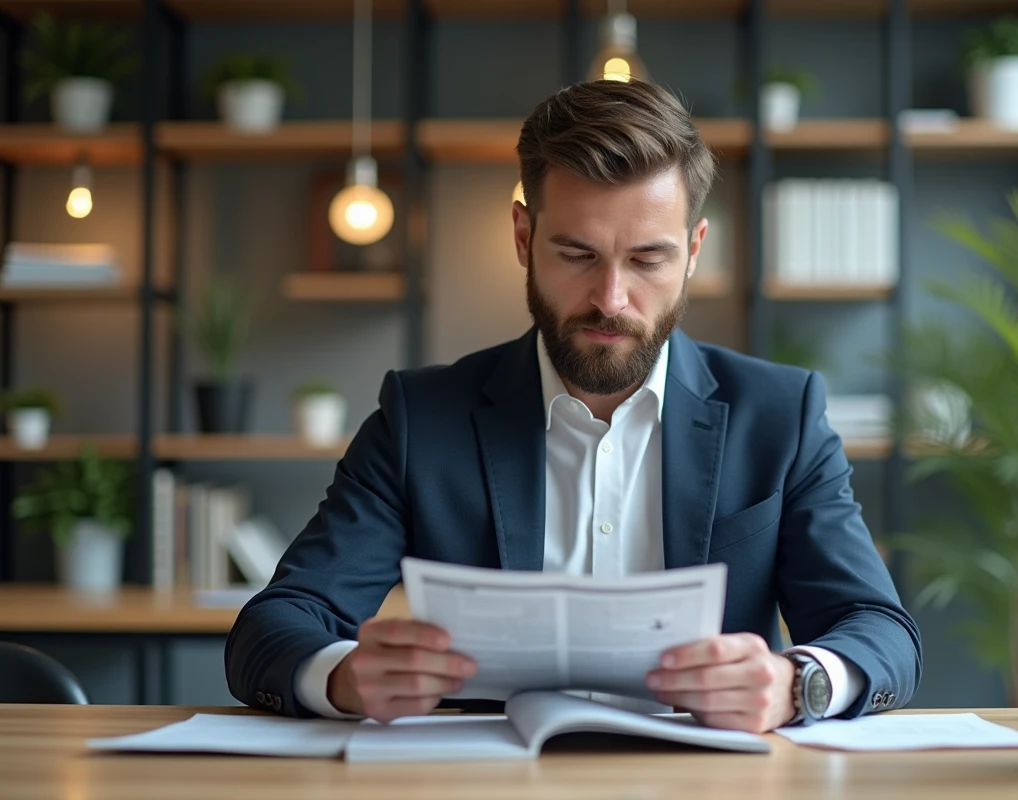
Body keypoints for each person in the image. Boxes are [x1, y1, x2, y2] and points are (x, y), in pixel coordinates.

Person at [225, 79, 921, 734]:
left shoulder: (780, 416)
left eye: (649, 260)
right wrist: (343, 677)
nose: (611, 299)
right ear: (525, 238)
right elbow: (275, 625)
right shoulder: (421, 419)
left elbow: (879, 630)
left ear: (694, 252)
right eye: (577, 253)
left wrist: (796, 683)